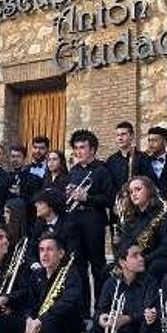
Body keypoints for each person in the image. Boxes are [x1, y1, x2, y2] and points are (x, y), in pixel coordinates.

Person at [66, 129, 114, 315]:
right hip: (74, 221)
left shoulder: (101, 171)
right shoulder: (73, 172)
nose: (79, 151)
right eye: (76, 148)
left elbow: (109, 199)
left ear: (92, 149)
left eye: (82, 147)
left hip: (93, 221)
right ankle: (83, 310)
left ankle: (101, 309)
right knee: (77, 267)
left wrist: (87, 197)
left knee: (97, 265)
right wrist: (69, 193)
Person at [117, 176, 167, 281]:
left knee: (155, 266)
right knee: (107, 270)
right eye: (131, 192)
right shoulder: (131, 217)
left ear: (149, 191)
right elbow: (125, 241)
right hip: (135, 259)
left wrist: (144, 259)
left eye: (138, 189)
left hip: (155, 260)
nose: (134, 194)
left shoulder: (165, 214)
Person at [28, 189, 74, 262]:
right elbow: (31, 249)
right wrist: (34, 263)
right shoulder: (38, 225)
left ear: (51, 206)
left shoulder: (69, 225)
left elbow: (72, 253)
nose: (36, 206)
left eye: (40, 203)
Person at [145, 126, 167, 198]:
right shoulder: (142, 161)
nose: (150, 144)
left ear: (165, 142)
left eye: (154, 140)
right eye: (149, 140)